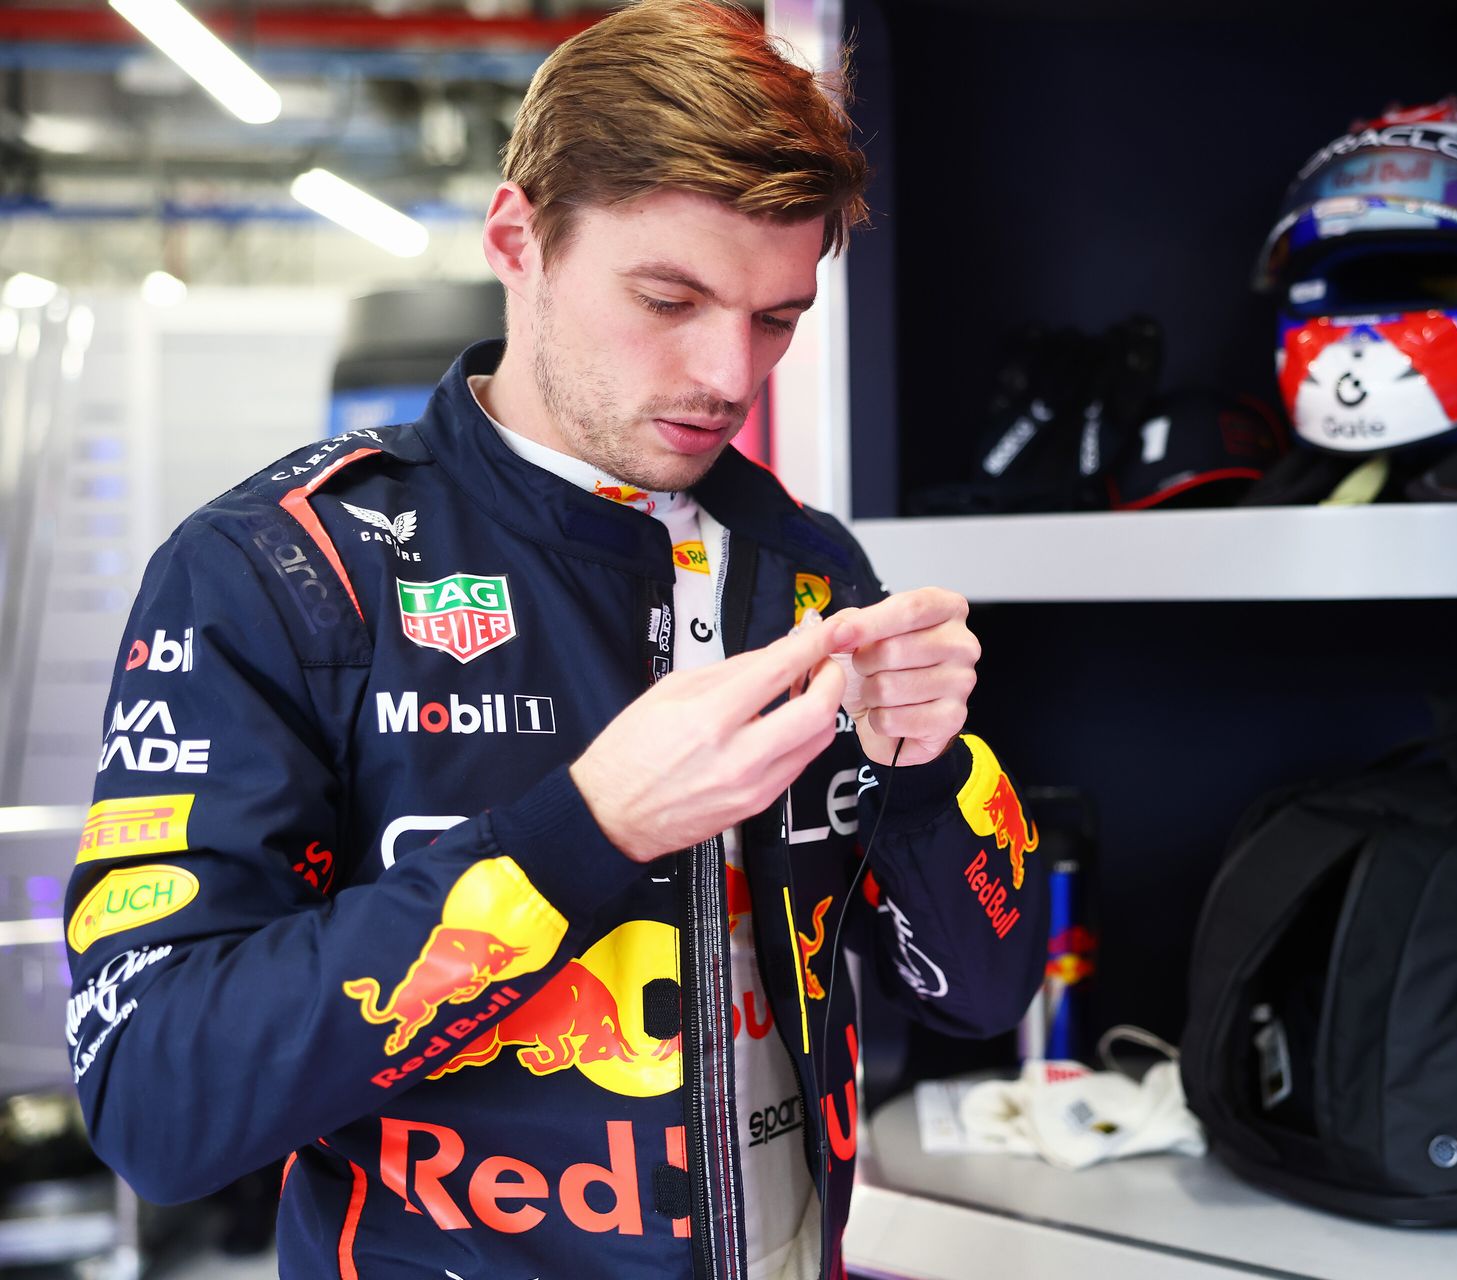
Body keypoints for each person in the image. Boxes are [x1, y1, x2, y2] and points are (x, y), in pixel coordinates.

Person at [61, 2, 1046, 1275]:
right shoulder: (283, 568)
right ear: (517, 239)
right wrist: (587, 830)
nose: (729, 374)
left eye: (776, 318)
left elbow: (982, 992)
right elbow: (153, 1098)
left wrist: (925, 772)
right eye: (669, 298)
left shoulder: (810, 564)